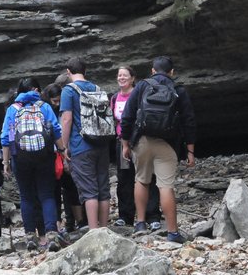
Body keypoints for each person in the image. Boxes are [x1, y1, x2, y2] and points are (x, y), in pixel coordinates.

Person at [121, 56, 197, 244]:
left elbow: (128, 115)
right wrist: (190, 151)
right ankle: (172, 232)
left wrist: (125, 143)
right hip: (168, 144)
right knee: (165, 186)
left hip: (142, 140)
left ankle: (140, 224)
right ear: (172, 72)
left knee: (141, 180)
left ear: (153, 71)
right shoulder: (178, 90)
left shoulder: (142, 86)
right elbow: (189, 122)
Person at [2, 77, 65, 251]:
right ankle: (51, 234)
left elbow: (5, 138)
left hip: (20, 158)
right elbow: (56, 129)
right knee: (47, 195)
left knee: (26, 196)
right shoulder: (43, 107)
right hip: (44, 156)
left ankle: (30, 235)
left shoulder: (13, 109)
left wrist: (5, 162)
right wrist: (62, 150)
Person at [59, 57, 112, 230]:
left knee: (89, 191)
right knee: (103, 189)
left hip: (81, 146)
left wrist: (63, 146)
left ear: (68, 72)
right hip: (101, 143)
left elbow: (66, 119)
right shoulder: (97, 88)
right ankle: (104, 229)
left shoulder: (68, 90)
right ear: (85, 71)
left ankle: (93, 231)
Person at [110, 66, 162, 231]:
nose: (121, 78)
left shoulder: (139, 95)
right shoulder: (114, 98)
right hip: (122, 142)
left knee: (147, 177)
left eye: (125, 75)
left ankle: (152, 215)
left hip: (141, 141)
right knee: (124, 179)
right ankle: (125, 216)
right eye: (119, 75)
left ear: (133, 78)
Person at [42, 83, 84, 232]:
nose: (58, 104)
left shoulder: (66, 111)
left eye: (60, 100)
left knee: (71, 188)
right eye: (54, 101)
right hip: (51, 155)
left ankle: (80, 222)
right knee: (53, 191)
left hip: (67, 153)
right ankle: (56, 224)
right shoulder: (45, 111)